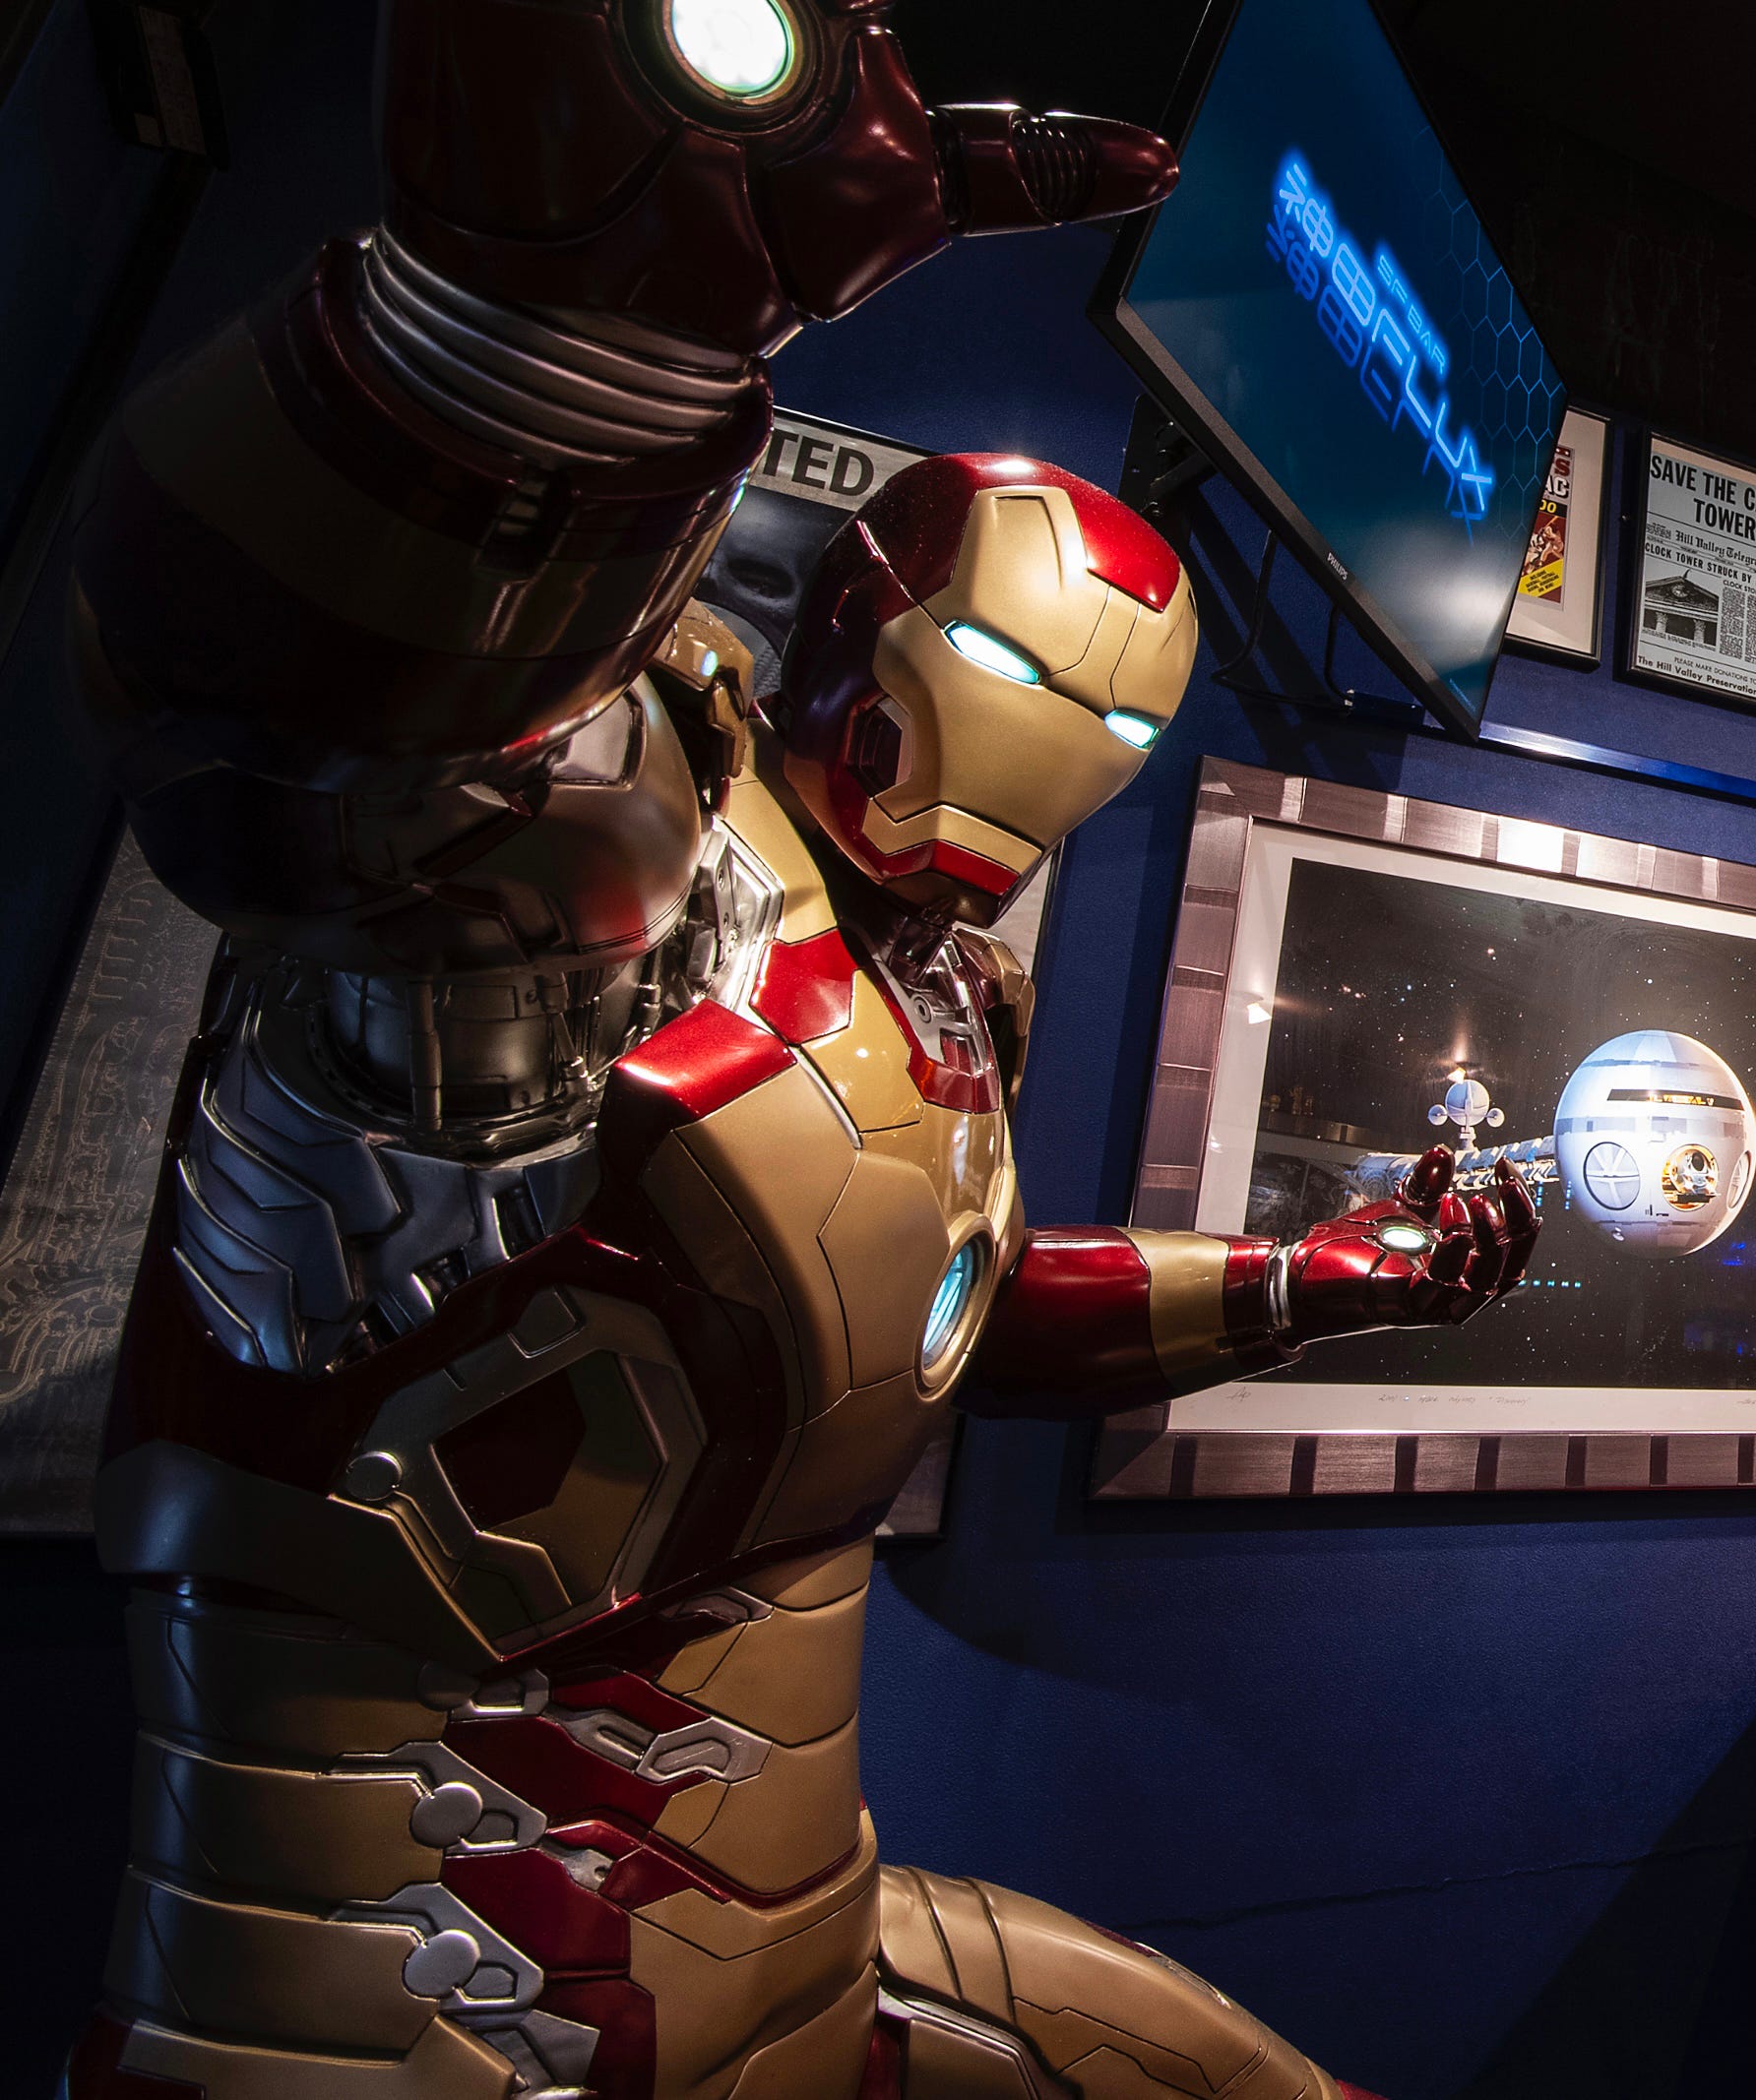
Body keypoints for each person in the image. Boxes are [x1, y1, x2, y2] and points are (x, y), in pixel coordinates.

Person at [60, 11, 1527, 2098]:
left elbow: (936, 1321)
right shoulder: (621, 871)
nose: (1052, 741)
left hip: (786, 1948)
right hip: (407, 1995)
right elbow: (286, 731)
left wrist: (1310, 1278)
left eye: (1120, 718)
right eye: (1006, 658)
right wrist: (558, 339)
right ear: (865, 623)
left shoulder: (930, 994)